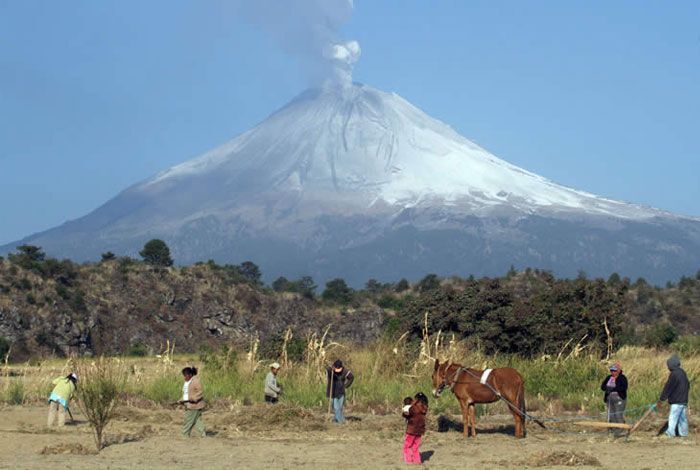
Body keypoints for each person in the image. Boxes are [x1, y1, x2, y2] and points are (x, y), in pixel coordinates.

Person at [656, 354, 690, 437]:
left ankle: (670, 434)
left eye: (668, 365)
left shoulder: (674, 374)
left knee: (673, 417)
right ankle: (684, 434)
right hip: (683, 400)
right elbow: (688, 385)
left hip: (677, 400)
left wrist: (661, 399)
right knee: (682, 419)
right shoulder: (682, 372)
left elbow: (668, 387)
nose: (668, 367)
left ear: (672, 365)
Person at [600, 362, 628, 436]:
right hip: (609, 399)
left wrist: (613, 388)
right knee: (611, 415)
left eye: (614, 370)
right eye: (611, 370)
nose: (613, 372)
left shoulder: (622, 378)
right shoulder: (608, 377)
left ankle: (621, 430)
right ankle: (613, 431)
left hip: (619, 399)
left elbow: (624, 388)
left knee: (618, 414)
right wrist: (607, 388)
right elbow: (602, 387)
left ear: (618, 371)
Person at [179, 366, 205, 438]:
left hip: (194, 406)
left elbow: (200, 392)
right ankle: (203, 436)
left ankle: (184, 436)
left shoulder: (196, 381)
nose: (184, 377)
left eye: (185, 375)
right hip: (189, 405)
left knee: (188, 422)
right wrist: (181, 400)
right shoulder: (187, 382)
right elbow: (186, 394)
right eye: (184, 376)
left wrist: (194, 398)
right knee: (197, 422)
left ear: (190, 375)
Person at [402, 392, 428, 465]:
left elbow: (406, 414)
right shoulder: (425, 407)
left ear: (417, 399)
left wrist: (404, 411)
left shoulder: (414, 407)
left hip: (411, 429)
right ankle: (417, 460)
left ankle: (408, 461)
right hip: (420, 430)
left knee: (407, 446)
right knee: (415, 447)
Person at [326, 359, 354, 423]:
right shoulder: (331, 371)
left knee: (339, 408)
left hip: (341, 392)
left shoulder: (345, 371)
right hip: (333, 392)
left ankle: (335, 421)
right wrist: (331, 368)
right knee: (336, 408)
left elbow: (351, 377)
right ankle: (342, 421)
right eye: (336, 368)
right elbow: (328, 370)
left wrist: (346, 385)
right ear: (334, 367)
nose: (338, 370)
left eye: (339, 368)